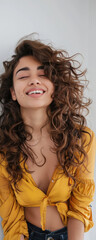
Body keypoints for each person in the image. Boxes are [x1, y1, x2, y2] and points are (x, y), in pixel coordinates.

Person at [0, 35, 96, 240]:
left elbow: (80, 204)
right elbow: (10, 214)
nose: (34, 80)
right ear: (13, 92)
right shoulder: (3, 146)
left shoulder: (82, 138)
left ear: (54, 86)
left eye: (43, 74)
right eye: (23, 76)